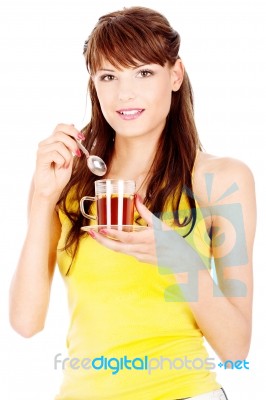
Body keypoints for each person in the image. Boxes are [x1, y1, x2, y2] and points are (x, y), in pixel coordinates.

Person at [9, 6, 256, 400]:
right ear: (94, 84)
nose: (125, 93)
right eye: (109, 76)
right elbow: (25, 322)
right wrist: (42, 198)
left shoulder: (221, 180)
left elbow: (236, 348)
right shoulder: (66, 179)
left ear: (174, 75)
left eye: (143, 72)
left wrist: (178, 258)